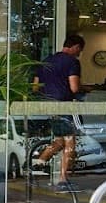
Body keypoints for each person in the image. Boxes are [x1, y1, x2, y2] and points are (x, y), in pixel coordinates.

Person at [32, 34, 84, 191]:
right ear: (75, 47)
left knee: (60, 141)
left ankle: (38, 164)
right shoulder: (73, 62)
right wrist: (85, 89)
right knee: (70, 141)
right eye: (80, 49)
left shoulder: (46, 61)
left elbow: (35, 87)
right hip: (65, 106)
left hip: (49, 105)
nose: (79, 53)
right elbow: (74, 87)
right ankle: (63, 179)